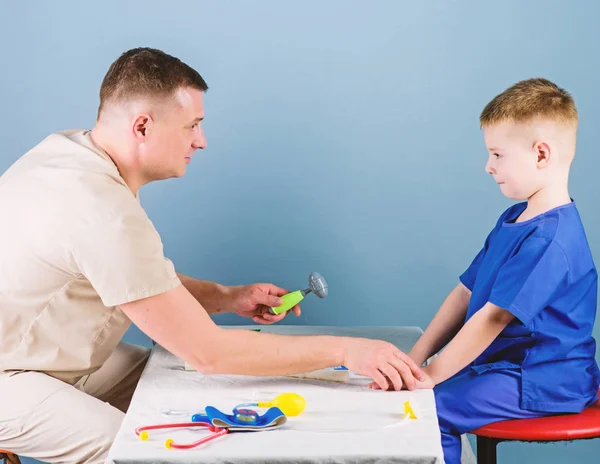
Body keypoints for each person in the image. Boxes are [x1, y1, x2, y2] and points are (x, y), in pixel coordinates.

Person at [0, 47, 423, 463]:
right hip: (12, 378)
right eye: (192, 126)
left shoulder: (67, 152)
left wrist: (227, 296)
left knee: (173, 386)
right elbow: (209, 353)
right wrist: (347, 351)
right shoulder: (101, 209)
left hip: (45, 352)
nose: (201, 141)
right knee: (141, 453)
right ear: (143, 126)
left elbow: (137, 276)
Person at [371, 78, 600, 464]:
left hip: (543, 379)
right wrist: (416, 361)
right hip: (504, 367)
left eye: (497, 154)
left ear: (541, 154)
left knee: (429, 414)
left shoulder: (551, 239)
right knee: (419, 397)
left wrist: (431, 377)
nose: (488, 166)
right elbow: (464, 293)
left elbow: (492, 318)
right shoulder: (516, 217)